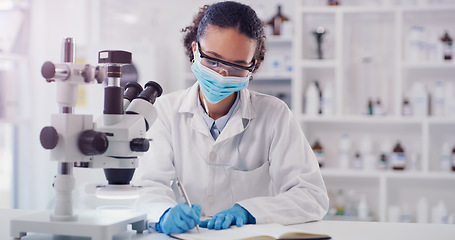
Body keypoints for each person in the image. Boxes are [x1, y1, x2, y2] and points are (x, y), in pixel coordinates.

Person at [136, 1, 329, 235]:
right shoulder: (165, 112)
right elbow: (148, 186)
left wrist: (249, 211)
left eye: (237, 66)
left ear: (253, 65)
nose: (221, 75)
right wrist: (163, 213)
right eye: (213, 60)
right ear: (196, 50)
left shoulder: (275, 115)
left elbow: (311, 196)